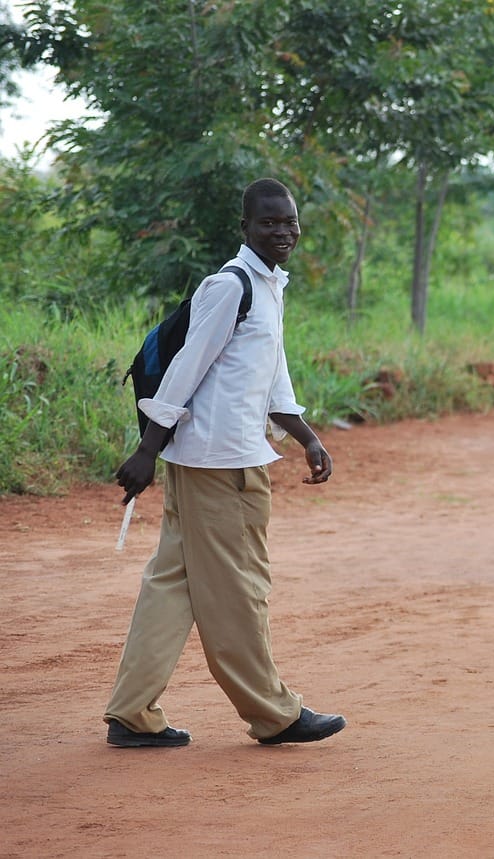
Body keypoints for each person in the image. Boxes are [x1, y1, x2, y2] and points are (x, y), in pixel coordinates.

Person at [106, 178, 346, 748]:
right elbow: (186, 369)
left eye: (289, 223)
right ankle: (273, 713)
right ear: (246, 228)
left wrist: (307, 437)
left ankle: (131, 712)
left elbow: (270, 375)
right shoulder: (230, 285)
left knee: (173, 583)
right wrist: (148, 448)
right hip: (219, 465)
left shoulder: (269, 287)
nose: (281, 232)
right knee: (238, 589)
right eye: (268, 223)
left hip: (218, 458)